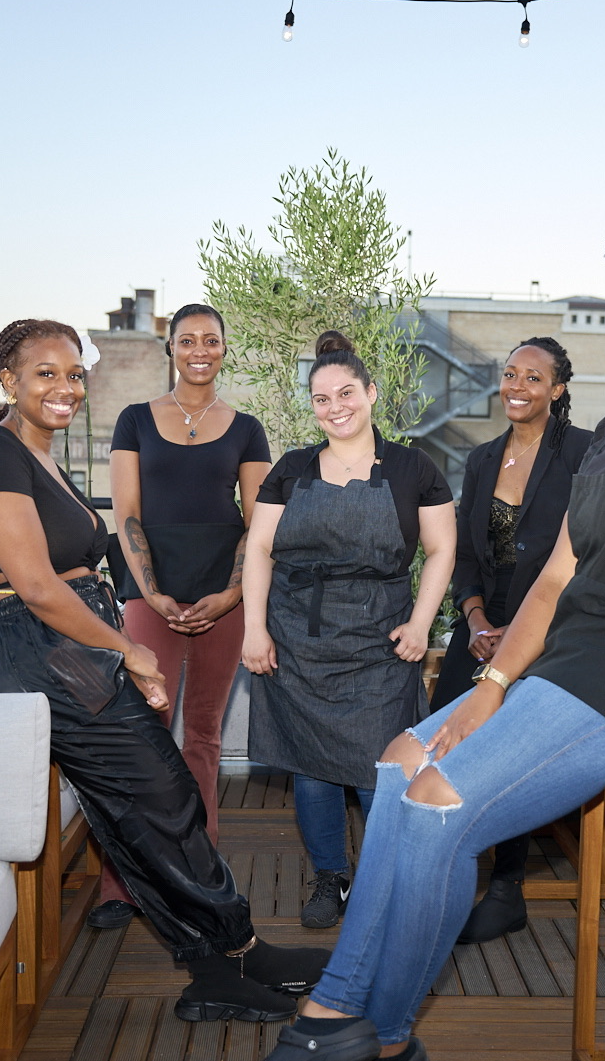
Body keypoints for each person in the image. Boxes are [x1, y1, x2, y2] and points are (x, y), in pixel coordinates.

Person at [261, 198, 605, 1061]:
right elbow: (557, 577)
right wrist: (485, 691)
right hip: (579, 662)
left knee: (438, 808)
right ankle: (343, 1005)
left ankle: (375, 1034)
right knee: (399, 765)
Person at [0, 318, 328, 1025]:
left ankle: (228, 954)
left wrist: (115, 644)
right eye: (46, 373)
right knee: (161, 794)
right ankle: (227, 955)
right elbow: (35, 584)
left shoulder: (39, 455)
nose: (65, 387)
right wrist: (130, 648)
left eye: (73, 373)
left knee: (147, 806)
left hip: (62, 644)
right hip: (37, 643)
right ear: (8, 379)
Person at [242, 331, 455, 932]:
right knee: (309, 764)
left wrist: (419, 624)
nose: (335, 407)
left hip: (380, 637)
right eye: (321, 399)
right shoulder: (290, 469)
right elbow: (259, 548)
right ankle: (330, 877)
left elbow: (441, 551)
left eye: (346, 393)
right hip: (297, 635)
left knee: (380, 765)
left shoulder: (415, 468)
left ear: (371, 393)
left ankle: (386, 876)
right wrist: (254, 629)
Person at [87, 304, 272, 931]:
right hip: (148, 595)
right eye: (187, 339)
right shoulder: (135, 420)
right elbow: (127, 514)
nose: (200, 349)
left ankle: (201, 870)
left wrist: (229, 596)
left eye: (211, 340)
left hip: (224, 596)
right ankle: (123, 881)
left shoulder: (246, 428)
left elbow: (258, 522)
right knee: (140, 734)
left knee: (203, 737)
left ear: (225, 348)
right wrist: (153, 592)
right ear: (171, 348)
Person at [428, 336, 592, 945]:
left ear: (558, 389)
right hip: (479, 626)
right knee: (446, 736)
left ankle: (507, 888)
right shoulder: (481, 459)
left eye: (533, 377)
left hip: (549, 626)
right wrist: (473, 619)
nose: (517, 386)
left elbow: (582, 556)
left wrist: (517, 632)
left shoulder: (583, 453)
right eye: (510, 374)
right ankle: (446, 868)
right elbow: (466, 552)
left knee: (514, 749)